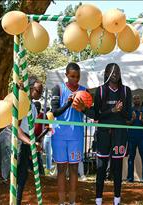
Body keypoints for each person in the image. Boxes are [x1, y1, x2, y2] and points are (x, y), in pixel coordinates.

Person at [82, 63, 132, 205]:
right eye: (112, 71)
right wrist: (112, 110)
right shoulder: (101, 90)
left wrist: (120, 111)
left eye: (117, 71)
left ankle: (117, 200)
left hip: (120, 134)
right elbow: (97, 115)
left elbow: (128, 116)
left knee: (117, 169)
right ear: (106, 73)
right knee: (101, 168)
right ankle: (98, 200)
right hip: (103, 134)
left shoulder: (126, 91)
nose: (115, 74)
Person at [51, 62, 86, 205]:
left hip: (76, 137)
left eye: (77, 77)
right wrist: (68, 103)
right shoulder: (58, 88)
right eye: (72, 76)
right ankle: (61, 202)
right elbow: (54, 112)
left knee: (74, 169)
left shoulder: (84, 91)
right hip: (59, 136)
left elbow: (91, 112)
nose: (75, 79)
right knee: (61, 169)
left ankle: (71, 202)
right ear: (66, 75)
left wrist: (83, 107)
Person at [16, 76, 44, 205]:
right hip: (19, 143)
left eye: (42, 92)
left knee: (23, 176)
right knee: (19, 177)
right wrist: (30, 142)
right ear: (31, 88)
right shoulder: (22, 103)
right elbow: (16, 129)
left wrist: (36, 142)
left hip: (27, 142)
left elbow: (31, 129)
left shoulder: (32, 106)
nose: (40, 94)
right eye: (38, 91)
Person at [127, 94, 143, 183]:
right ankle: (130, 179)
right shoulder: (130, 110)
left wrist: (141, 120)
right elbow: (126, 123)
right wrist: (133, 119)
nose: (136, 100)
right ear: (133, 100)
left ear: (140, 100)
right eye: (135, 99)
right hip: (131, 137)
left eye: (138, 98)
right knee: (131, 158)